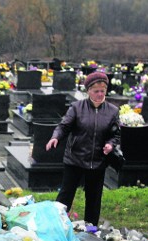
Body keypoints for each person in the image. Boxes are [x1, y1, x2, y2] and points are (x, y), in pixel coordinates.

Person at [45, 71, 121, 226]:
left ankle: (91, 229)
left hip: (97, 162)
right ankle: (56, 225)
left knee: (94, 199)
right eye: (96, 91)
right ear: (88, 91)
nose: (100, 94)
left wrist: (110, 144)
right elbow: (64, 126)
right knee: (66, 195)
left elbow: (115, 134)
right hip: (75, 159)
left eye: (103, 91)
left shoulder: (113, 111)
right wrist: (55, 137)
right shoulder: (77, 107)